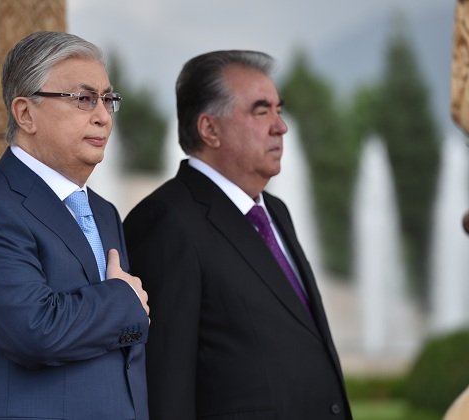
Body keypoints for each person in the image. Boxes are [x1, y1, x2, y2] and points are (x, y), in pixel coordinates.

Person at [123, 50, 352, 419]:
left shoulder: (275, 211)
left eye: (279, 109)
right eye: (261, 111)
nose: (281, 126)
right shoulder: (166, 221)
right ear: (210, 129)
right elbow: (166, 386)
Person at [0, 31, 150, 420]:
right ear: (25, 113)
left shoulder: (104, 212)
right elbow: (35, 330)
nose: (103, 116)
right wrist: (124, 300)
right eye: (84, 99)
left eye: (108, 99)